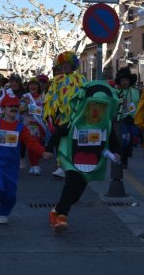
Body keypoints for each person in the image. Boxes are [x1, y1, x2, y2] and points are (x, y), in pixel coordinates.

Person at [0, 94, 52, 224]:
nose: (14, 108)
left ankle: (4, 213)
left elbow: (31, 142)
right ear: (3, 109)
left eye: (16, 106)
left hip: (12, 166)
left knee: (11, 195)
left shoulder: (20, 127)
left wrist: (42, 152)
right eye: (10, 106)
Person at [47, 81, 121, 231]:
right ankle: (61, 216)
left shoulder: (105, 125)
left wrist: (117, 152)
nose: (96, 110)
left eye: (101, 107)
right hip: (71, 161)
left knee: (76, 194)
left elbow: (113, 140)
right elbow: (58, 133)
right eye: (94, 106)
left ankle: (56, 210)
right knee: (71, 186)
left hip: (90, 164)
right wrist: (48, 149)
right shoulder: (74, 122)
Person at [43, 51, 87, 178]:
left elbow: (86, 95)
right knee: (62, 142)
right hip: (62, 117)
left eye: (67, 63)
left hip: (78, 116)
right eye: (62, 64)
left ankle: (76, 166)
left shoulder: (81, 79)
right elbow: (50, 98)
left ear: (73, 65)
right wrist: (50, 114)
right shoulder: (56, 80)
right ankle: (61, 166)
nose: (65, 66)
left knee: (77, 141)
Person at [20, 77, 48, 175]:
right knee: (30, 145)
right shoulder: (25, 96)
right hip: (28, 124)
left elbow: (45, 111)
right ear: (28, 86)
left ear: (38, 86)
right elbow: (21, 111)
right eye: (31, 84)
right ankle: (33, 165)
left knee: (37, 144)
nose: (33, 86)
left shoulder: (43, 97)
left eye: (35, 84)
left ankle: (36, 165)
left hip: (39, 124)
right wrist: (27, 106)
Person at [115, 67, 141, 169]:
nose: (125, 82)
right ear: (120, 82)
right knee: (124, 140)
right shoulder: (117, 92)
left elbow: (140, 104)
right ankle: (124, 160)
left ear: (129, 81)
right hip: (123, 119)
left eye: (126, 80)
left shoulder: (136, 91)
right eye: (123, 80)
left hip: (134, 119)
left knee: (132, 140)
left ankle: (127, 154)